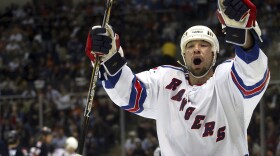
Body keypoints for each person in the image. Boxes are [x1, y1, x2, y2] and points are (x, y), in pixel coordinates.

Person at [85, 0, 270, 155]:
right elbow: (128, 94)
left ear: (214, 54)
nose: (196, 49)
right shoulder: (165, 80)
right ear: (183, 55)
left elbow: (252, 74)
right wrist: (109, 60)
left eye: (204, 44)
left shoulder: (228, 79)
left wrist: (242, 34)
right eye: (190, 46)